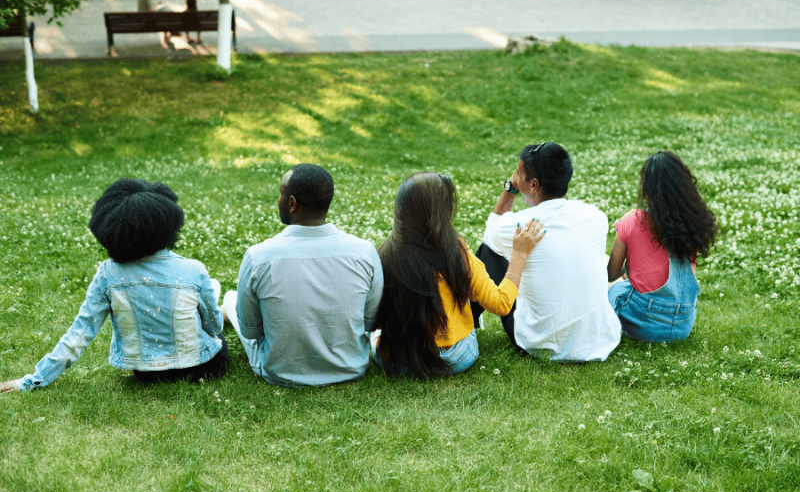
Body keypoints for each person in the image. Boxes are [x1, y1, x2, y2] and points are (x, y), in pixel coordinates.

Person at [0, 179, 229, 393]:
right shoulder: (193, 270)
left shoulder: (108, 274)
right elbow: (214, 326)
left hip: (147, 375)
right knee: (214, 300)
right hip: (205, 368)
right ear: (169, 224)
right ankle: (226, 306)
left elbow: (80, 334)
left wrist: (31, 381)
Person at [222, 164, 383, 388]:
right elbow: (370, 320)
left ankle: (222, 311)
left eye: (281, 194)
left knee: (231, 298)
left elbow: (251, 330)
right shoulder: (365, 251)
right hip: (351, 367)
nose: (278, 200)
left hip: (279, 370)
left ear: (292, 203)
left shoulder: (258, 256)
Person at [372, 172, 545, 378]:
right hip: (454, 358)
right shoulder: (457, 254)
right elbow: (500, 304)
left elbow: (373, 319)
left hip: (397, 360)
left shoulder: (383, 255)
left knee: (376, 336)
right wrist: (519, 253)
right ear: (442, 212)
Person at [474, 142, 621, 362]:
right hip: (598, 341)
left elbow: (490, 235)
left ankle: (468, 321)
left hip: (539, 343)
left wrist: (510, 189)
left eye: (518, 174)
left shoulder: (518, 225)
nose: (516, 178)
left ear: (534, 185)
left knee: (488, 252)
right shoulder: (596, 217)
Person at [607, 151, 717, 343]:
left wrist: (627, 264)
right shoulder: (692, 223)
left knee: (613, 289)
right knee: (628, 282)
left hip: (646, 324)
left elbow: (611, 273)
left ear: (648, 189)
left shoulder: (633, 221)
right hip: (683, 324)